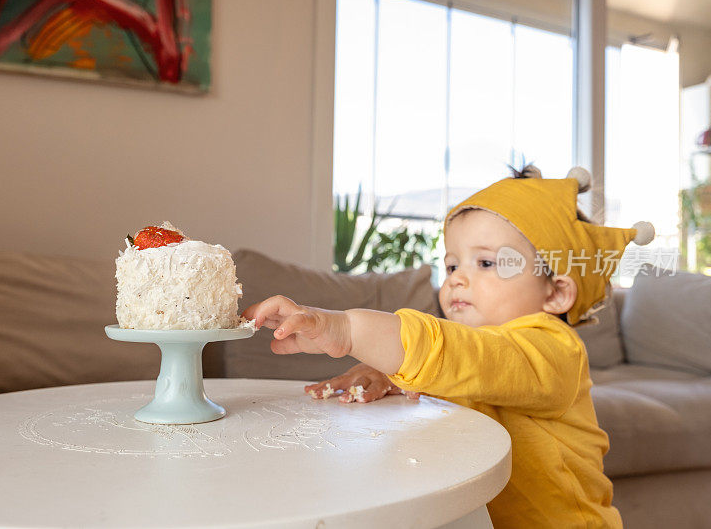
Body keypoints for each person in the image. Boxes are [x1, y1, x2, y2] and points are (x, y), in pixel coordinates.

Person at [243, 165, 655, 528]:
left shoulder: (553, 349)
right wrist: (385, 372)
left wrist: (347, 330)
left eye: (488, 263)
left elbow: (463, 356)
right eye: (453, 264)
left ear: (556, 293)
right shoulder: (473, 348)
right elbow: (454, 369)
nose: (456, 278)